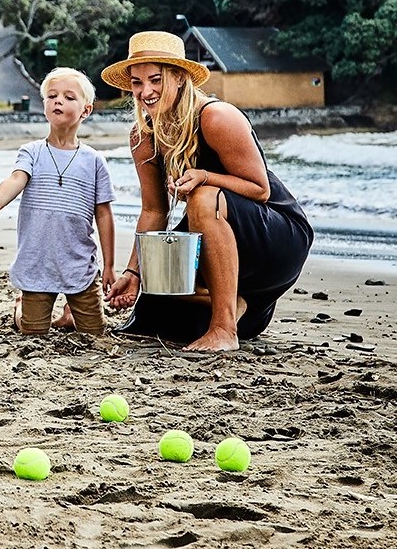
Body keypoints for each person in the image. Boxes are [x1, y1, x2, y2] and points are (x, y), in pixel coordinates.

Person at [100, 31, 313, 352]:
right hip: (217, 238)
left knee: (203, 196)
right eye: (137, 83)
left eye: (156, 80)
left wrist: (204, 176)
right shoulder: (142, 135)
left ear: (180, 77)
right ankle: (239, 305)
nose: (146, 91)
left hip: (275, 240)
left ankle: (224, 328)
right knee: (154, 310)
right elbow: (154, 211)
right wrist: (135, 272)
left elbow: (260, 189)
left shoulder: (216, 117)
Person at [0, 68, 116, 335]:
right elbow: (16, 179)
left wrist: (108, 266)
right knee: (33, 333)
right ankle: (20, 308)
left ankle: (70, 315)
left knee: (95, 334)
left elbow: (104, 214)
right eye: (52, 96)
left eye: (68, 97)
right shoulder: (32, 152)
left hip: (79, 263)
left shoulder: (94, 161)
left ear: (86, 110)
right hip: (37, 261)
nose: (58, 101)